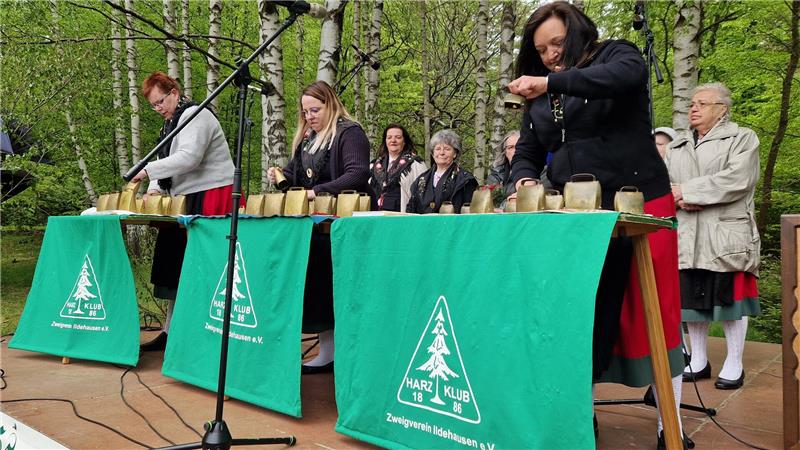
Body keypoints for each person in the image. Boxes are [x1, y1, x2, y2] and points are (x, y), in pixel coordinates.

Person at [507, 2, 685, 446]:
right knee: (577, 315)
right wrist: (524, 177)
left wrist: (550, 81)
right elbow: (529, 150)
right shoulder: (541, 99)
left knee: (653, 313)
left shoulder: (615, 55)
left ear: (578, 32)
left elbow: (626, 78)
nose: (550, 54)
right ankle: (579, 417)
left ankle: (672, 426)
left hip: (640, 201)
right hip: (578, 216)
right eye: (541, 49)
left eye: (557, 43)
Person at [267, 80, 372, 374]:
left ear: (331, 104)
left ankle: (345, 354)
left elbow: (357, 174)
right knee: (318, 285)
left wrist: (317, 192)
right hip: (315, 226)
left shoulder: (349, 132)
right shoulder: (308, 139)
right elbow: (293, 175)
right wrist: (279, 175)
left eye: (315, 109)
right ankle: (328, 351)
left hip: (344, 224)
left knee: (338, 287)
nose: (310, 116)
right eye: (305, 112)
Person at [665, 82, 761, 390]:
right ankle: (699, 359)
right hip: (687, 231)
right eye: (692, 103)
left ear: (722, 110)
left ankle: (735, 362)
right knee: (692, 298)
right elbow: (665, 182)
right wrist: (679, 196)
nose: (693, 108)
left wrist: (690, 191)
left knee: (729, 299)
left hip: (724, 232)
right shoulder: (677, 144)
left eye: (702, 103)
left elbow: (738, 178)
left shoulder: (742, 138)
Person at [132, 71, 235, 351]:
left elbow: (189, 158)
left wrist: (147, 171)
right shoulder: (170, 124)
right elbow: (164, 158)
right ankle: (171, 329)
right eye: (153, 105)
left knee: (205, 266)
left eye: (161, 101)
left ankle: (206, 332)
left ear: (175, 92)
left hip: (210, 196)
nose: (159, 108)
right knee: (172, 262)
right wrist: (154, 186)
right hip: (181, 199)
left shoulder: (196, 115)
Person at [407, 129, 477, 214]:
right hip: (424, 226)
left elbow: (472, 213)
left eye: (447, 149)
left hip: (453, 226)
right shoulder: (421, 180)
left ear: (455, 153)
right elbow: (410, 210)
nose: (442, 153)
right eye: (438, 149)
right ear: (433, 154)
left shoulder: (466, 180)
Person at [368, 124, 427, 212]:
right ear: (385, 141)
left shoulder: (415, 163)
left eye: (398, 137)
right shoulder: (375, 165)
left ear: (404, 141)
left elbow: (423, 194)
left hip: (402, 215)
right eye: (389, 137)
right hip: (376, 214)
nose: (393, 140)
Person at [486, 130, 520, 198]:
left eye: (519, 146)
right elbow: (492, 202)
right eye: (510, 147)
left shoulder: (541, 171)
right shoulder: (496, 176)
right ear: (505, 152)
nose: (515, 150)